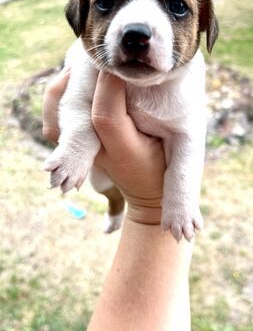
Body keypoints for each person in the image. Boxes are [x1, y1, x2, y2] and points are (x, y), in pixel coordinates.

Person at [42, 67, 195, 331]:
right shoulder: (86, 59)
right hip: (100, 148)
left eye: (177, 20)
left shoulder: (185, 80)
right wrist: (79, 138)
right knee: (100, 183)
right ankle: (115, 206)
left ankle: (117, 208)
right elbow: (75, 101)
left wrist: (163, 202)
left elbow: (188, 131)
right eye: (106, 20)